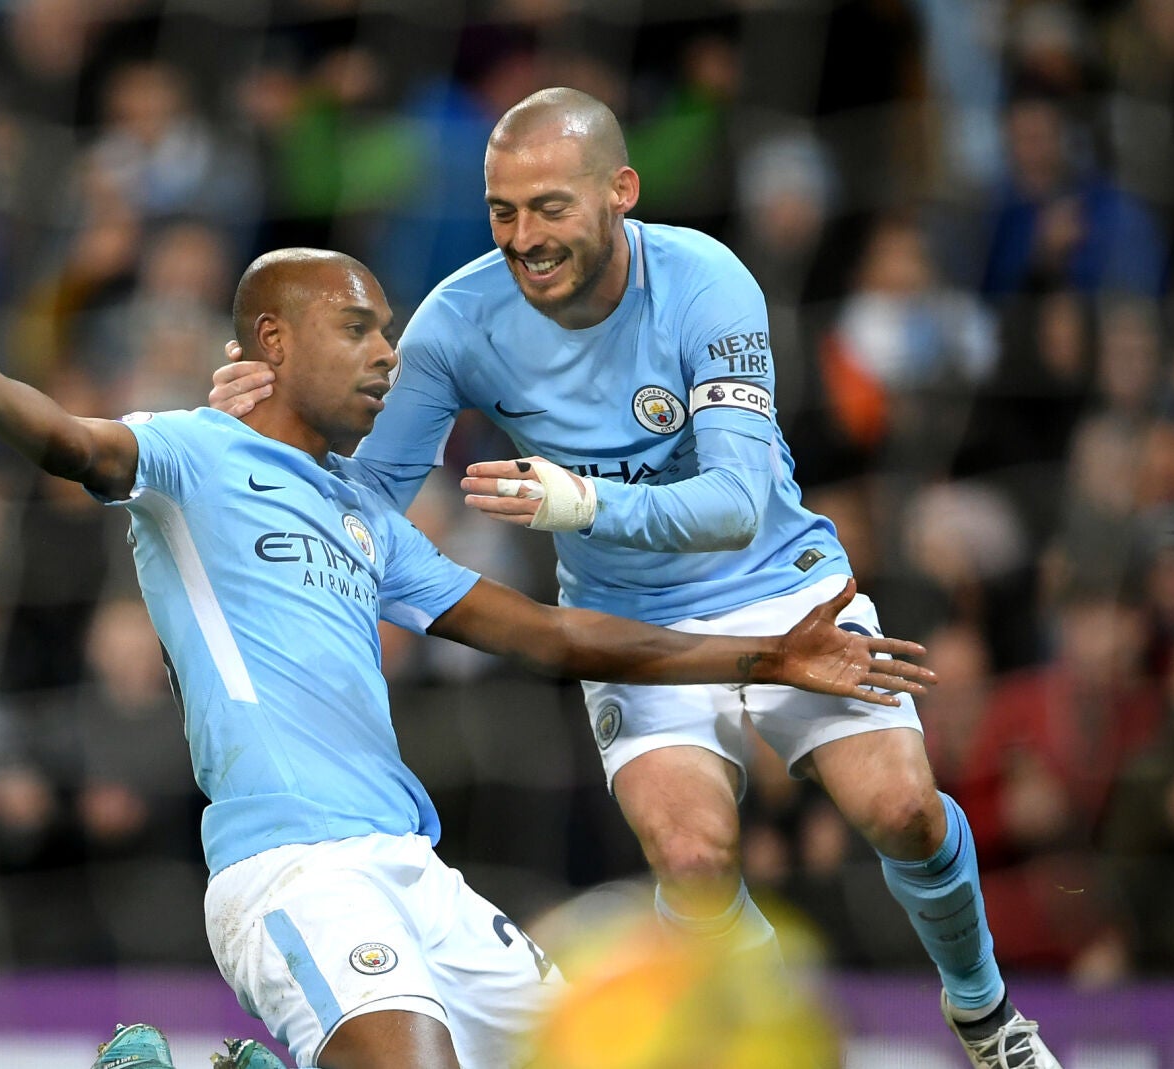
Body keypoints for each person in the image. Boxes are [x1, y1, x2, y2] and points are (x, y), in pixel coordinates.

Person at [0, 249, 934, 1069]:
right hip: (292, 866)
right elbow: (74, 442)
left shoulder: (368, 523)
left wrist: (765, 657)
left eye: (388, 330)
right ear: (274, 343)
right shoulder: (195, 452)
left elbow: (553, 635)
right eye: (359, 327)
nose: (390, 351)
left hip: (414, 868)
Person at [210, 87, 1061, 1068]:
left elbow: (737, 499)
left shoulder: (705, 281)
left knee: (903, 809)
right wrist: (262, 438)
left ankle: (984, 1012)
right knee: (694, 856)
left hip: (782, 583)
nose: (522, 236)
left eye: (549, 207)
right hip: (629, 622)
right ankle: (741, 1037)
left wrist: (582, 503)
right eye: (502, 211)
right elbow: (366, 499)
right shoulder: (457, 323)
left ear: (621, 190)